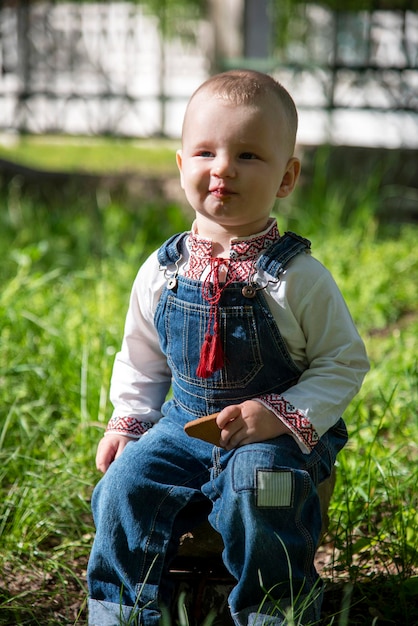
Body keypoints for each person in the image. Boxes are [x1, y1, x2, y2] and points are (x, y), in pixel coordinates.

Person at [87, 69, 369, 626]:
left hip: (273, 437)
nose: (222, 168)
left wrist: (279, 415)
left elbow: (343, 361)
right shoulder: (162, 271)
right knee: (124, 487)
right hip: (182, 426)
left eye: (247, 155)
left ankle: (275, 610)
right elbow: (141, 356)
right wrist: (130, 420)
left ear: (287, 177)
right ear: (180, 165)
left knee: (263, 490)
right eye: (205, 152)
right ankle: (121, 609)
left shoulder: (298, 276)